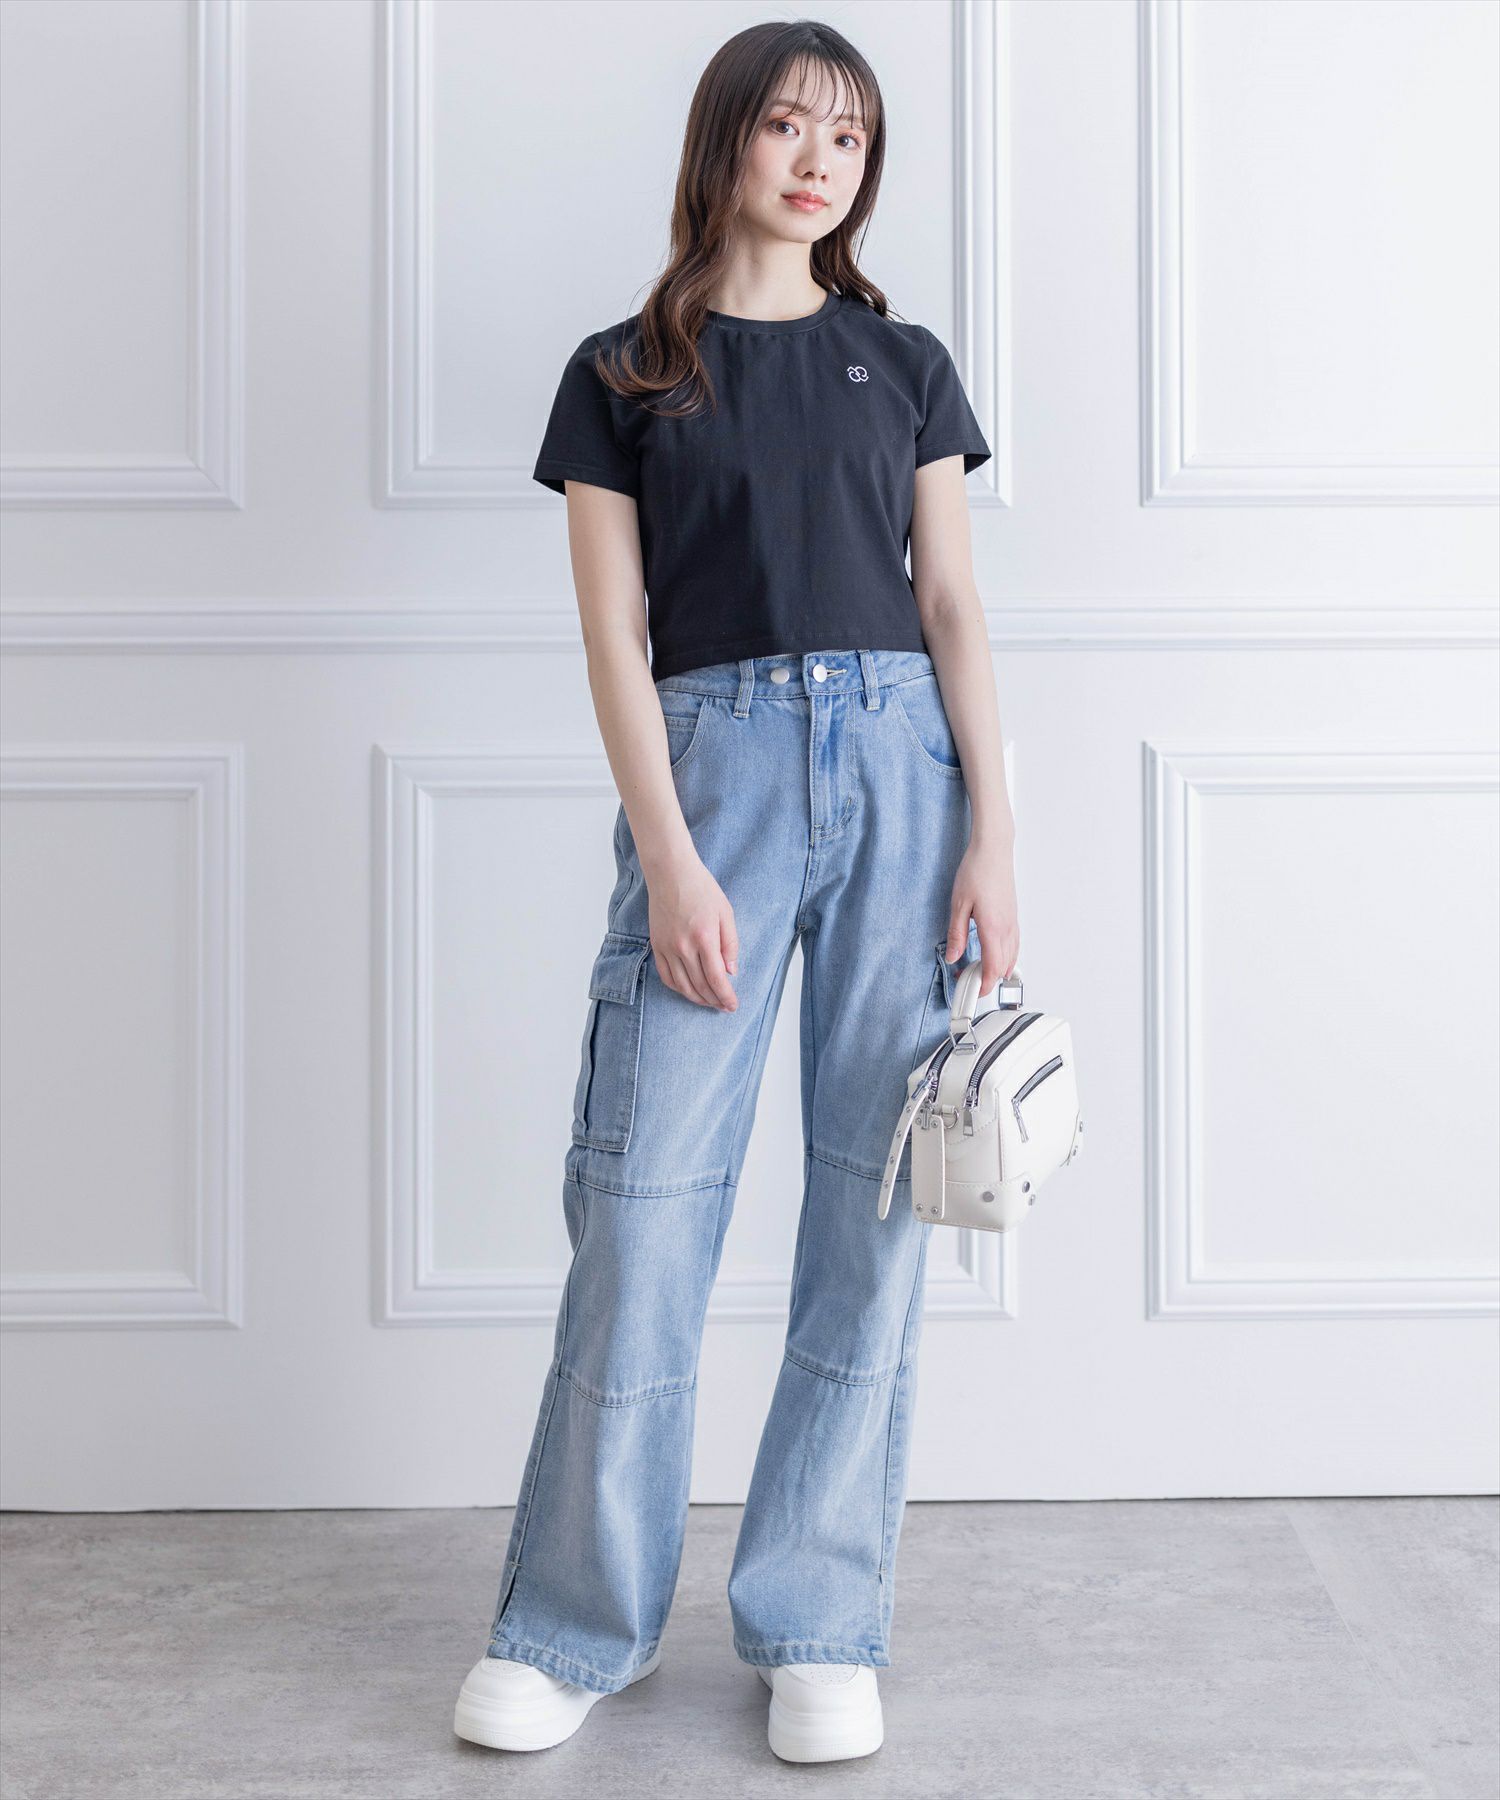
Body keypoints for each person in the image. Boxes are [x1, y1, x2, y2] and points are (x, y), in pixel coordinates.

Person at [453, 16, 1018, 1766]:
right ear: (725, 143)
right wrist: (673, 853)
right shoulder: (624, 373)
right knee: (644, 1207)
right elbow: (612, 640)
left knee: (872, 1212)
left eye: (850, 135)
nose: (820, 159)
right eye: (788, 125)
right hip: (713, 775)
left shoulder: (904, 364)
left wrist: (994, 830)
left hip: (903, 775)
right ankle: (574, 1623)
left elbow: (951, 607)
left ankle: (818, 1620)